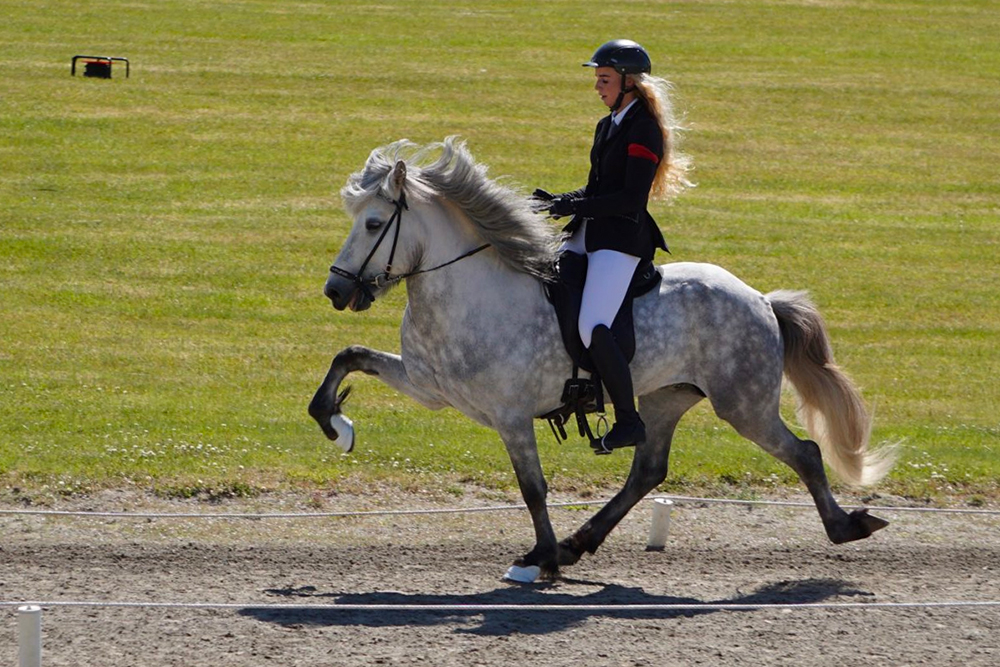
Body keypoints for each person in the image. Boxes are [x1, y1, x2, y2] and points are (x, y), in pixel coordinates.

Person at [536, 39, 691, 453]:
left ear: (627, 82)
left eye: (604, 79)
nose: (597, 87)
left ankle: (627, 421)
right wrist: (560, 200)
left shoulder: (644, 128)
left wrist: (578, 204)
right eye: (597, 79)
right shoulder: (608, 124)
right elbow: (597, 186)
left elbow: (629, 198)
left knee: (593, 324)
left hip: (621, 238)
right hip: (591, 230)